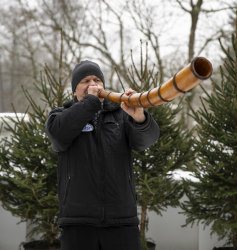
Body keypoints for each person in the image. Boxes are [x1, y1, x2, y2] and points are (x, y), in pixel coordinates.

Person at [45, 60, 160, 250]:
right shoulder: (60, 115)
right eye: (85, 80)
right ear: (75, 90)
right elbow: (58, 136)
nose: (93, 84)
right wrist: (91, 102)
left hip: (122, 220)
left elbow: (145, 141)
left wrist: (139, 116)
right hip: (77, 222)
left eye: (97, 79)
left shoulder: (122, 116)